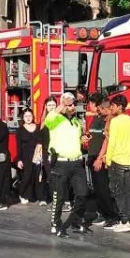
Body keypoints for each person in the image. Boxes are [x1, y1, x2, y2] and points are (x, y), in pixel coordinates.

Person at [45, 91, 90, 237]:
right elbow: (48, 121)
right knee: (60, 196)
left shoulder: (77, 122)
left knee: (82, 193)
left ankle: (76, 222)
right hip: (61, 163)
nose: (71, 107)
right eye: (69, 104)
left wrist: (83, 140)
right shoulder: (55, 118)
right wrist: (63, 104)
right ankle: (55, 224)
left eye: (73, 105)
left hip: (76, 162)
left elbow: (77, 140)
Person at [101, 94, 130, 233]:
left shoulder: (115, 121)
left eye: (113, 106)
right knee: (128, 191)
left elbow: (112, 142)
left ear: (119, 107)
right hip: (129, 161)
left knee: (117, 192)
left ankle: (124, 220)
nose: (111, 108)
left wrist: (108, 160)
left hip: (117, 160)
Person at [85, 94, 118, 228]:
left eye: (92, 104)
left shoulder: (107, 120)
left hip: (100, 158)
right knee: (98, 190)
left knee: (104, 189)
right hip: (93, 156)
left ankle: (112, 217)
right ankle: (103, 214)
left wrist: (101, 158)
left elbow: (107, 140)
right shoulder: (94, 119)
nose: (90, 107)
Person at [15, 108, 43, 205]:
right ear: (23, 117)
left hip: (37, 155)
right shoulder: (20, 130)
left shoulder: (38, 127)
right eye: (26, 116)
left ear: (33, 116)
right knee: (27, 176)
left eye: (30, 116)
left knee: (38, 176)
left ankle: (38, 196)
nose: (28, 118)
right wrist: (19, 160)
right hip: (26, 155)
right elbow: (18, 146)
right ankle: (22, 194)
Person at [37, 99, 58, 206]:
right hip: (46, 152)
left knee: (57, 177)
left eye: (54, 105)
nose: (51, 107)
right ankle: (45, 197)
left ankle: (58, 200)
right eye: (49, 105)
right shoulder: (43, 120)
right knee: (46, 175)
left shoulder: (60, 119)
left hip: (57, 152)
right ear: (45, 106)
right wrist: (38, 152)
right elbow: (40, 138)